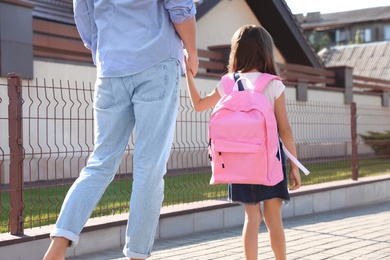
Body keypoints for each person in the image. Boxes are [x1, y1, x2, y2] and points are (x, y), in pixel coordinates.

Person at [43, 1, 198, 259]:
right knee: (149, 167)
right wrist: (191, 50)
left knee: (100, 162)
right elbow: (179, 7)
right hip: (156, 60)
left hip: (111, 67)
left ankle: (58, 245)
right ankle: (136, 255)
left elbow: (82, 11)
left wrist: (105, 50)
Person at [184, 24, 301, 260]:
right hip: (269, 159)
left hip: (237, 160)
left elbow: (198, 105)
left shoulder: (227, 83)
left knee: (251, 217)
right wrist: (295, 166)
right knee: (273, 218)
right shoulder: (273, 84)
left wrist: (187, 71)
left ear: (235, 52)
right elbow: (285, 130)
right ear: (266, 51)